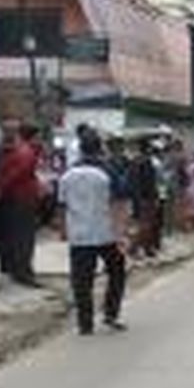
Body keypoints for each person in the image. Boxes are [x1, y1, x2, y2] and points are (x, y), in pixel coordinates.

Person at [57, 131, 128, 335]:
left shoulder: (67, 175)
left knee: (81, 280)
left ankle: (85, 323)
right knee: (117, 272)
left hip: (79, 235)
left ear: (80, 150)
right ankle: (110, 313)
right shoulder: (109, 172)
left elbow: (61, 206)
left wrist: (63, 230)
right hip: (106, 233)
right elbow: (118, 204)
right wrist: (121, 232)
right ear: (101, 149)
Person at [0, 118, 43, 286]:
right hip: (21, 199)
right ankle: (22, 272)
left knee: (11, 236)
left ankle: (13, 269)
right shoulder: (25, 153)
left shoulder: (17, 151)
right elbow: (13, 176)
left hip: (10, 198)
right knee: (22, 237)